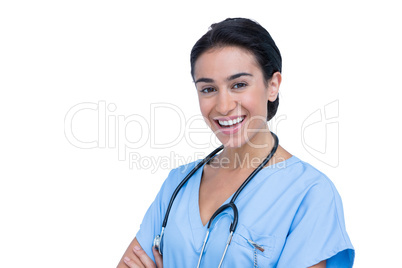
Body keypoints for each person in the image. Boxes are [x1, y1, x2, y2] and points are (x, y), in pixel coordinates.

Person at [117, 18, 354, 268]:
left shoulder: (310, 193)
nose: (223, 106)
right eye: (208, 89)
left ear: (272, 86)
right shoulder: (178, 184)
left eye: (239, 85)